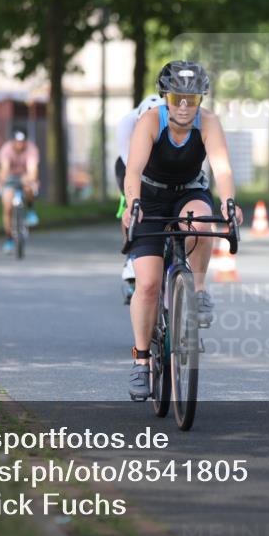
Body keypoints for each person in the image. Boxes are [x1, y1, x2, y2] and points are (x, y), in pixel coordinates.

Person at [122, 60, 244, 400]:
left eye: (193, 99)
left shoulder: (209, 122)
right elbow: (133, 171)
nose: (185, 106)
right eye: (177, 98)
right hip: (151, 197)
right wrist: (133, 204)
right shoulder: (151, 121)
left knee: (201, 222)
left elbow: (222, 169)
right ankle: (141, 361)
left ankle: (198, 289)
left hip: (189, 191)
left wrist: (229, 203)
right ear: (166, 97)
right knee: (147, 284)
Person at [114, 94, 164, 301]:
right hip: (129, 162)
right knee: (130, 201)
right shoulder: (126, 124)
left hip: (158, 162)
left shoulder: (168, 120)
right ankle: (130, 253)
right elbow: (131, 165)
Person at [0, 130, 40, 252]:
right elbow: (4, 168)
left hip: (25, 177)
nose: (20, 145)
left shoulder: (31, 149)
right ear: (12, 141)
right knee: (7, 207)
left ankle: (30, 209)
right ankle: (9, 238)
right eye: (17, 142)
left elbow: (33, 168)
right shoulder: (6, 150)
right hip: (10, 178)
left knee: (30, 188)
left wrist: (30, 178)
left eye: (22, 142)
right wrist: (2, 180)